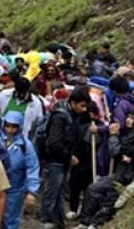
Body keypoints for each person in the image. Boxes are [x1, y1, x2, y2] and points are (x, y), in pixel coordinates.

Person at [76, 116, 134, 228]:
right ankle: (90, 222)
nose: (128, 120)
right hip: (126, 174)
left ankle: (90, 223)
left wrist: (114, 135)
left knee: (97, 189)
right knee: (101, 188)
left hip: (128, 176)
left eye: (132, 118)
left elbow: (117, 150)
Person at [40, 87, 91, 229]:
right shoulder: (60, 117)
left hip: (62, 160)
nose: (84, 109)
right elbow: (54, 143)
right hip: (55, 160)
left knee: (59, 192)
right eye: (82, 106)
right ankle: (47, 221)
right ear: (73, 103)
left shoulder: (72, 114)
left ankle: (57, 220)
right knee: (52, 192)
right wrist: (69, 156)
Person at [0, 112, 39, 229]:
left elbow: (32, 168)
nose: (10, 130)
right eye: (7, 126)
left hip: (14, 190)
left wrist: (32, 191)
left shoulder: (25, 145)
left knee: (10, 220)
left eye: (14, 126)